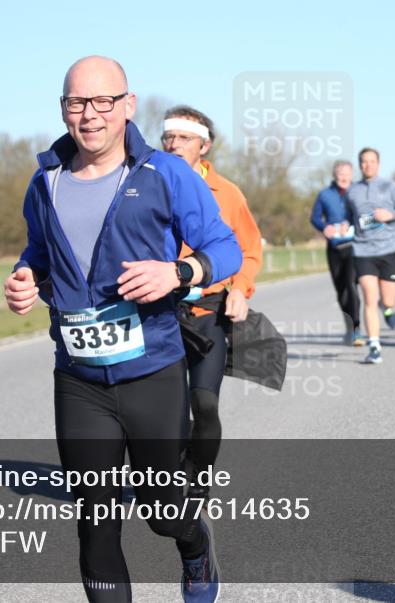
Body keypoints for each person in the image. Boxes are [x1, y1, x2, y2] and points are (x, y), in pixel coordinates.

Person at [4, 56, 241, 603]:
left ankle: (195, 545)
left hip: (152, 370)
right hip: (79, 379)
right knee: (95, 521)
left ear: (128, 106)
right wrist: (25, 277)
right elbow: (38, 253)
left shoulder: (165, 173)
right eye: (76, 103)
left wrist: (179, 272)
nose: (90, 115)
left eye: (103, 101)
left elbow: (224, 248)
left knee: (162, 512)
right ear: (63, 109)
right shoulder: (45, 182)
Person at [161, 105, 262, 501]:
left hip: (208, 311)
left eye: (184, 138)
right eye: (168, 137)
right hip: (159, 313)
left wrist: (240, 288)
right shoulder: (144, 185)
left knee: (204, 403)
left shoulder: (228, 194)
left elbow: (249, 250)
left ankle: (197, 483)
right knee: (165, 409)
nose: (173, 144)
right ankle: (168, 473)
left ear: (205, 145)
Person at [346, 147, 395, 364]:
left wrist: (390, 214)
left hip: (388, 249)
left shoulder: (389, 186)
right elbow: (348, 217)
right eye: (364, 162)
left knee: (388, 299)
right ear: (360, 165)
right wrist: (341, 227)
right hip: (362, 250)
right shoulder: (352, 191)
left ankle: (389, 308)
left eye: (372, 161)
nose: (368, 165)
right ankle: (374, 344)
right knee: (369, 297)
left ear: (378, 164)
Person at [310, 161, 364, 346]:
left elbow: (366, 215)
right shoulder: (325, 194)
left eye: (347, 173)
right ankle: (349, 325)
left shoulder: (358, 192)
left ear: (352, 175)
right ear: (334, 175)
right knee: (341, 291)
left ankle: (357, 329)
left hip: (353, 246)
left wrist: (350, 222)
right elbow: (315, 218)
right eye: (340, 173)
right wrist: (324, 228)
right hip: (334, 249)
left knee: (351, 285)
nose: (343, 176)